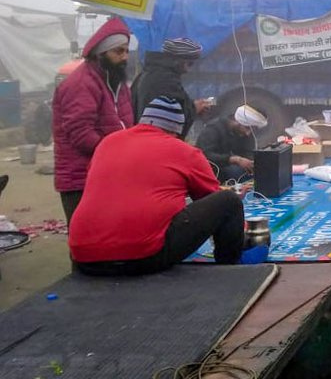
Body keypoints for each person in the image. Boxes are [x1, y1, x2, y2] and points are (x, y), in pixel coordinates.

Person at [68, 97, 244, 275]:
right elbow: (210, 198)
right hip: (144, 255)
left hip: (84, 256)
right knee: (228, 201)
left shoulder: (106, 143)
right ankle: (228, 273)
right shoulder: (184, 151)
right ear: (177, 130)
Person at [52, 17, 134, 225]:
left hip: (107, 172)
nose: (124, 57)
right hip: (81, 178)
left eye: (126, 50)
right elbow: (81, 134)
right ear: (101, 53)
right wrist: (116, 153)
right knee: (86, 239)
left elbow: (125, 123)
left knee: (109, 234)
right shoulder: (81, 83)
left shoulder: (117, 81)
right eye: (118, 51)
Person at [131, 37, 209, 140]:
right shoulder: (167, 80)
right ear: (177, 61)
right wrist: (194, 109)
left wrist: (191, 105)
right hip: (155, 141)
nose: (188, 70)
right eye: (189, 64)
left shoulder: (146, 73)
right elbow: (170, 117)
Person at [196, 104, 268, 183]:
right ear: (237, 121)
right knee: (235, 172)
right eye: (247, 128)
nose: (248, 133)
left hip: (230, 168)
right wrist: (234, 159)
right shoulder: (213, 129)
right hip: (212, 170)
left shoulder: (245, 133)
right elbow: (204, 155)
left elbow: (248, 152)